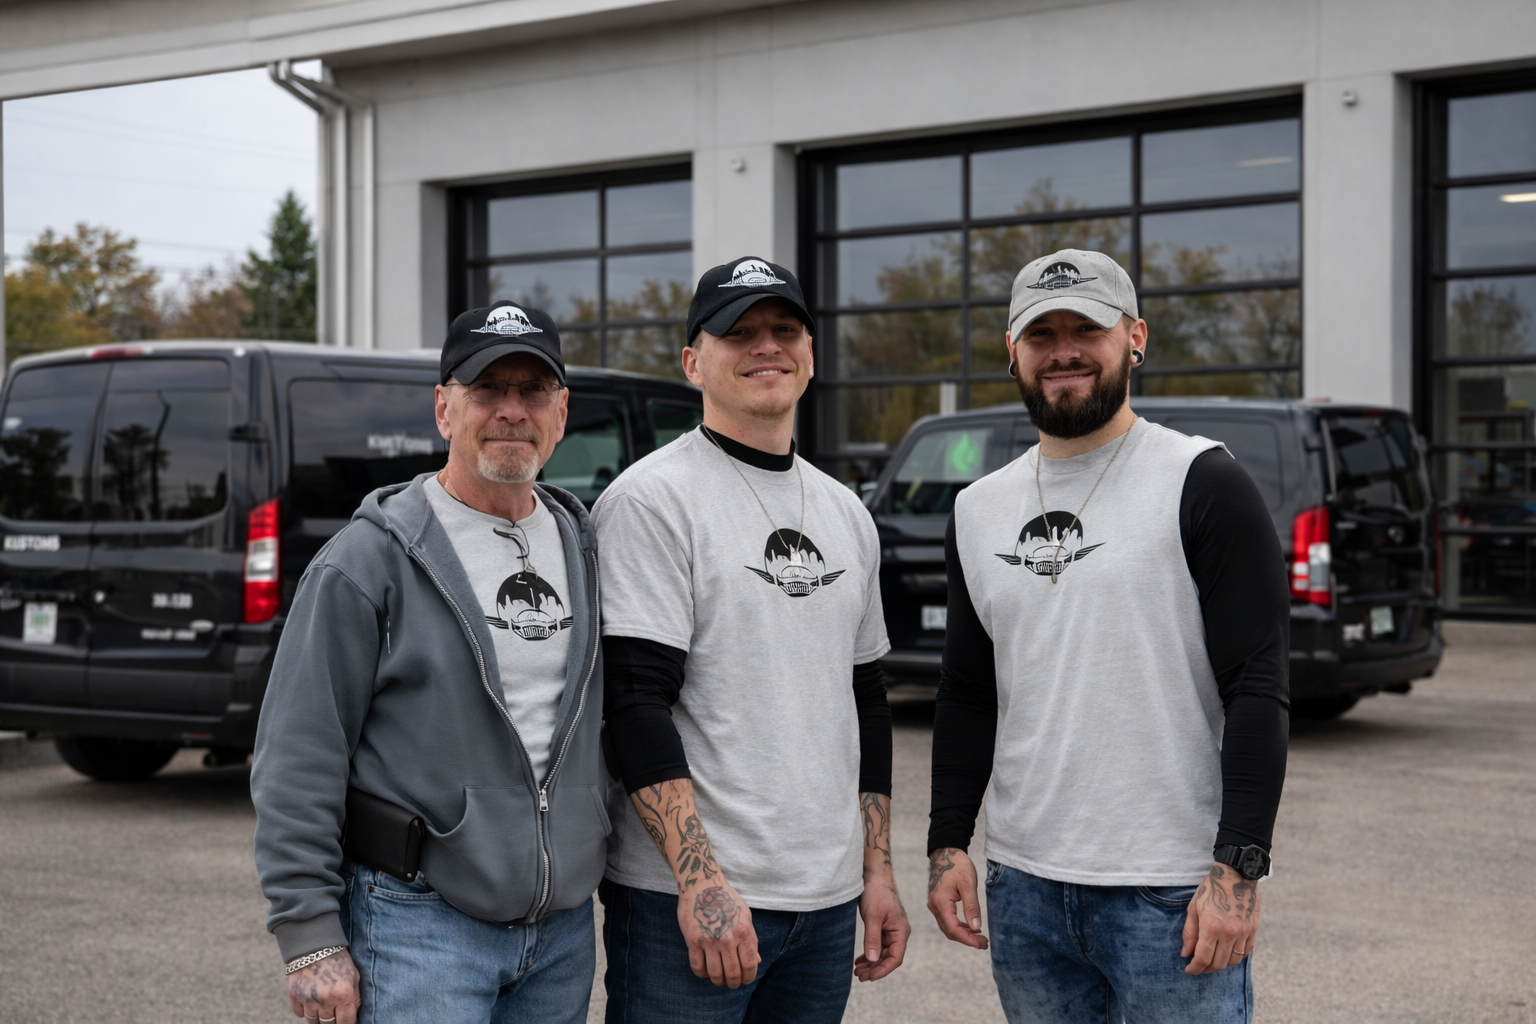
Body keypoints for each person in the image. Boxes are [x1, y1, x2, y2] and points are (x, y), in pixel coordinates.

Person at [926, 249, 1290, 1023]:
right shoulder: (978, 507)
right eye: (1042, 332)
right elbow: (966, 692)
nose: (1063, 350)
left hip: (1171, 892)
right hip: (1023, 889)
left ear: (1135, 338)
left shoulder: (1202, 480)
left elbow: (1259, 686)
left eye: (1085, 329)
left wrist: (1238, 869)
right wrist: (949, 841)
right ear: (1012, 351)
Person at [251, 303, 609, 1024]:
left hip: (563, 934)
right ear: (444, 409)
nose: (512, 410)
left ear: (562, 412)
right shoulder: (368, 561)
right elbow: (298, 752)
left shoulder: (588, 546)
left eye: (532, 390)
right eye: (487, 389)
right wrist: (310, 939)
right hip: (418, 924)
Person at [593, 256, 910, 1023]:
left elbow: (865, 699)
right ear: (693, 361)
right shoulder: (651, 500)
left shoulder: (845, 513)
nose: (766, 346)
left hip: (827, 904)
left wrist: (876, 870)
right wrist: (700, 882)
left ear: (810, 354)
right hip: (692, 904)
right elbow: (634, 706)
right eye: (739, 332)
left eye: (784, 329)